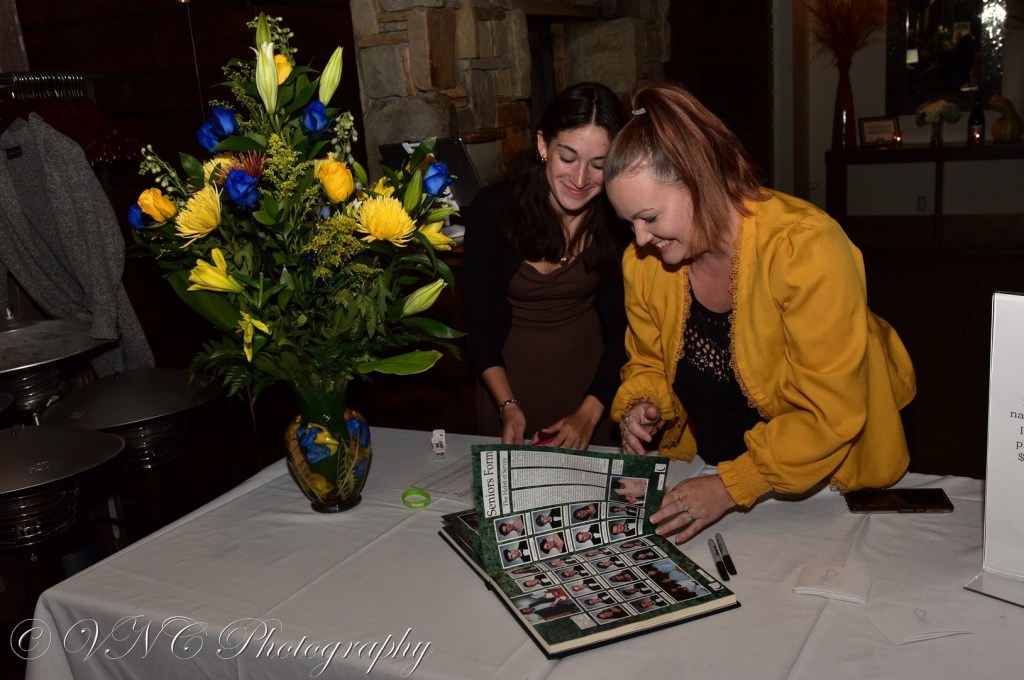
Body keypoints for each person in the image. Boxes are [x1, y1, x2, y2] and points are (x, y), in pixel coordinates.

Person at [605, 82, 916, 545]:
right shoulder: (645, 263)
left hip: (831, 466)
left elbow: (829, 413)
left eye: (649, 217)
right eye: (628, 222)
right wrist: (643, 402)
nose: (640, 238)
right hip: (723, 462)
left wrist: (731, 486)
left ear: (701, 178)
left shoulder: (805, 248)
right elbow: (648, 358)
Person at [462, 82, 630, 449]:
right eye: (568, 158)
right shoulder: (493, 209)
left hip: (592, 395)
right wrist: (507, 405)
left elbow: (624, 328)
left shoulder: (619, 219)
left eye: (598, 165)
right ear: (543, 145)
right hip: (506, 393)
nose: (580, 179)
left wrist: (590, 412)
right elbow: (477, 322)